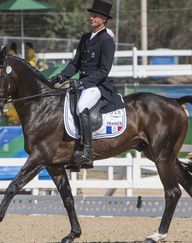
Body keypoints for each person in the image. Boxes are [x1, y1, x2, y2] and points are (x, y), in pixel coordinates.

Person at [48, 0, 121, 169]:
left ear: (103, 19)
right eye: (91, 15)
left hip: (98, 86)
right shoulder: (85, 38)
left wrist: (82, 82)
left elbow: (104, 70)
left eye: (95, 15)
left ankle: (87, 151)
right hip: (83, 84)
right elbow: (75, 64)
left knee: (81, 106)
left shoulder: (106, 40)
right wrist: (60, 77)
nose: (91, 17)